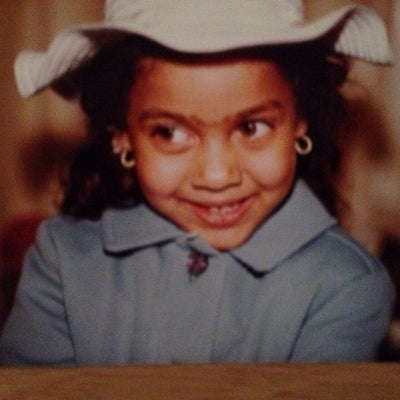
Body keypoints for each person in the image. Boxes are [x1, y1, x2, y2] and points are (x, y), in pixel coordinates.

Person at [0, 0, 395, 366]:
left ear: (300, 122)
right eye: (170, 133)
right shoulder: (62, 262)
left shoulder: (346, 284)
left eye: (251, 127)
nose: (217, 176)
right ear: (122, 135)